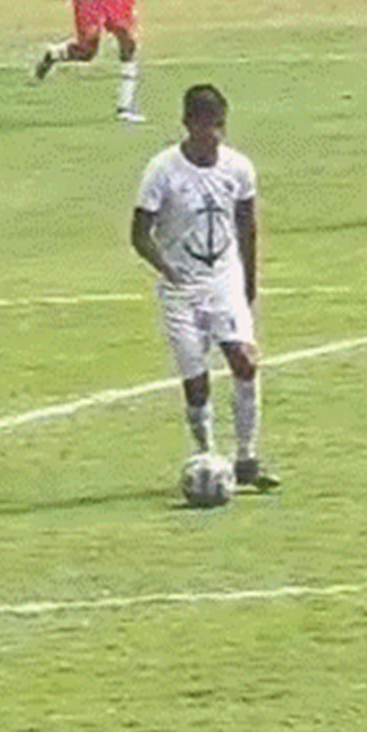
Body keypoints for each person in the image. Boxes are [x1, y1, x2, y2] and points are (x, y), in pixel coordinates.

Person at [132, 84, 279, 492]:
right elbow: (139, 234)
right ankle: (209, 455)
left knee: (245, 362)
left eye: (216, 127)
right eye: (202, 127)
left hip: (223, 280)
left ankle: (247, 458)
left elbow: (247, 228)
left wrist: (248, 285)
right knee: (196, 383)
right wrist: (166, 268)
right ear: (187, 124)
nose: (210, 136)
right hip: (180, 288)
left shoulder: (238, 169)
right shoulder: (162, 170)